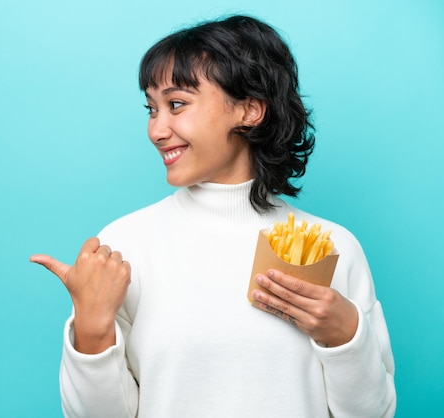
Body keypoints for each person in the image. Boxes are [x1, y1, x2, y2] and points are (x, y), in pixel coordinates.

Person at [30, 14, 396, 418]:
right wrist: (92, 330)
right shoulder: (125, 246)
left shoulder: (330, 247)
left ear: (250, 110)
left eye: (176, 105)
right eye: (152, 109)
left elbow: (374, 414)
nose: (156, 129)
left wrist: (346, 335)